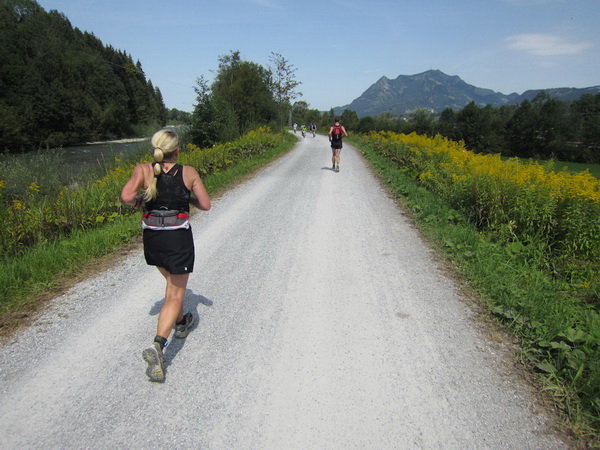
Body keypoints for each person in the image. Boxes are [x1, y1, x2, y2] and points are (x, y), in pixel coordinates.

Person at [120, 129, 211, 382]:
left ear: (155, 150)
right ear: (177, 151)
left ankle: (181, 322)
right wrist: (187, 199)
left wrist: (139, 203)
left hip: (152, 239)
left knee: (172, 285)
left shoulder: (143, 170)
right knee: (174, 294)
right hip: (177, 239)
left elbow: (126, 196)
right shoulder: (188, 172)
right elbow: (205, 204)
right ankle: (158, 345)